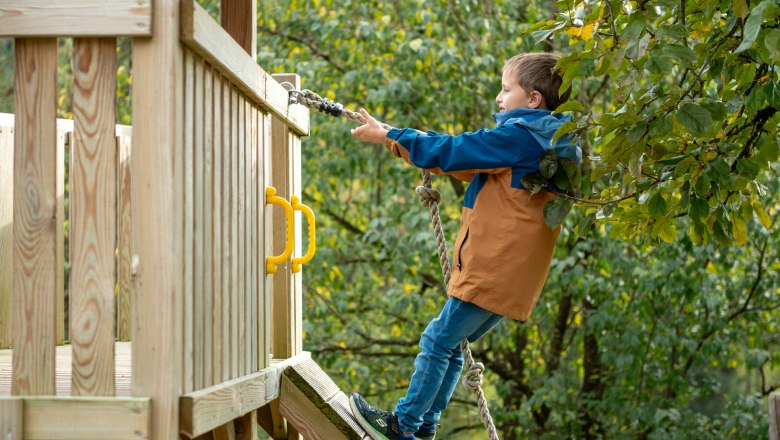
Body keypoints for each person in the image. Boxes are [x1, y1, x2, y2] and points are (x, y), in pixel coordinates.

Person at [348, 52, 582, 440]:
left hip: (493, 265)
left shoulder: (520, 136)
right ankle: (424, 426)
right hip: (516, 275)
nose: (498, 98)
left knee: (437, 341)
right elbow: (463, 161)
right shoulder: (551, 143)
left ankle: (401, 425)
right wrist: (395, 137)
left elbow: (456, 150)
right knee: (452, 345)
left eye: (506, 90)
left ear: (534, 99)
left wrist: (390, 135)